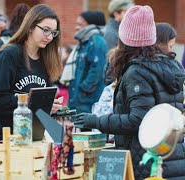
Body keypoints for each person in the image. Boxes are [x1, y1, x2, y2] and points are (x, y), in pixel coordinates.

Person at [72, 6, 185, 179]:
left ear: (125, 39)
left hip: (146, 162)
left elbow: (137, 120)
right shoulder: (170, 65)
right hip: (171, 159)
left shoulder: (137, 71)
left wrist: (96, 121)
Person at [0, 4, 63, 139]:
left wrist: (50, 106)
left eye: (53, 33)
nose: (49, 37)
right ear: (30, 27)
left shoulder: (46, 60)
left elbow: (39, 109)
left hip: (32, 138)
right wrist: (33, 102)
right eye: (45, 30)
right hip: (3, 139)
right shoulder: (9, 55)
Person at [61, 10, 107, 114]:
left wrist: (83, 89)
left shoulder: (97, 42)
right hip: (80, 102)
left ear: (90, 25)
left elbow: (97, 71)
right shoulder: (84, 43)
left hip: (88, 102)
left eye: (79, 24)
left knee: (86, 130)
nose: (76, 27)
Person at [103, 0, 134, 85]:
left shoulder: (121, 31)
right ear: (116, 14)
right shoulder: (111, 34)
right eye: (126, 12)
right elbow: (111, 65)